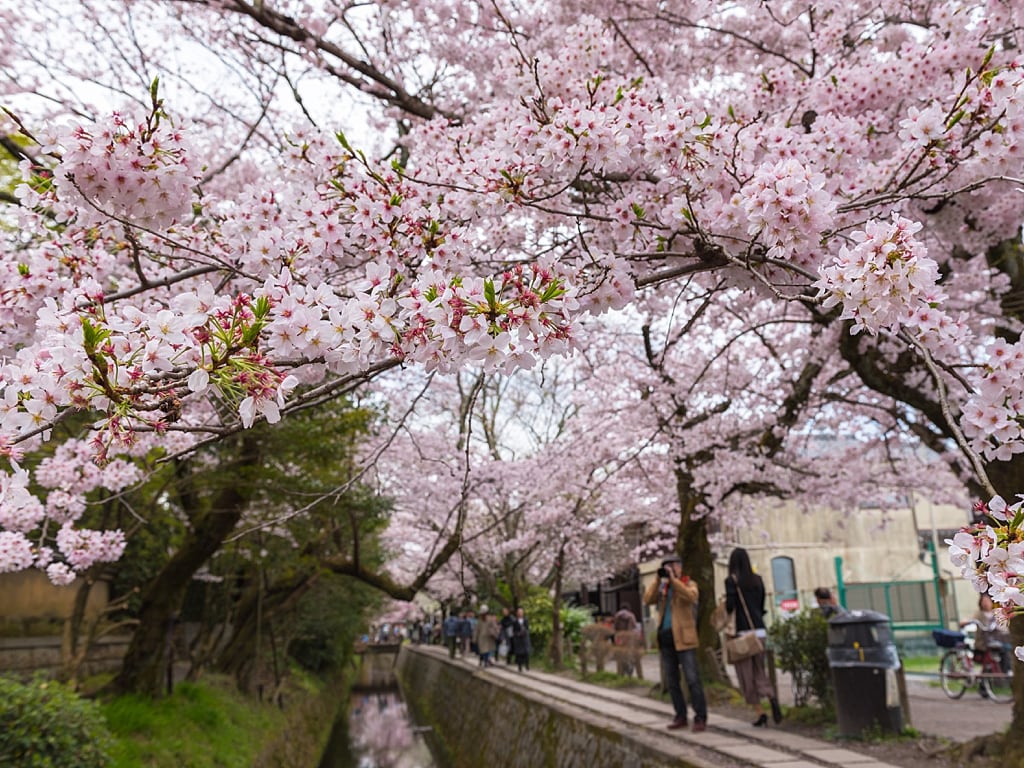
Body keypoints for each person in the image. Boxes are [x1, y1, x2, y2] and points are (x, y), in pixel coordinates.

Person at [643, 554, 708, 732]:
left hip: (685, 639)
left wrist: (675, 581)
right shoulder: (663, 588)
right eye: (666, 566)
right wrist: (658, 580)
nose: (670, 569)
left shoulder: (688, 583)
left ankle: (700, 717)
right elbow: (647, 599)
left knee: (692, 679)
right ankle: (680, 715)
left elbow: (691, 597)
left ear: (680, 566)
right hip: (666, 638)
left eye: (673, 565)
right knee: (672, 681)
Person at [725, 547, 782, 727]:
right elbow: (761, 604)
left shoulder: (732, 580)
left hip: (742, 634)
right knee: (760, 670)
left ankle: (760, 713)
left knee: (746, 675)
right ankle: (771, 696)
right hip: (759, 631)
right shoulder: (757, 580)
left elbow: (730, 606)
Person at [974, 594, 1011, 674]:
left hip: (996, 640)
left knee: (1006, 650)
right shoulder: (979, 614)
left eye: (987, 601)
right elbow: (971, 619)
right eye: (983, 601)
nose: (985, 603)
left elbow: (1003, 626)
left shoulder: (996, 613)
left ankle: (1006, 672)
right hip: (983, 641)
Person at [510, 607, 532, 672]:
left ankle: (527, 666)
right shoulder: (515, 621)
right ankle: (520, 666)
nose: (520, 613)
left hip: (525, 639)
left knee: (526, 653)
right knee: (519, 653)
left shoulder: (526, 620)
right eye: (519, 612)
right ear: (517, 613)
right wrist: (518, 634)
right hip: (518, 639)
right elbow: (513, 631)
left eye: (521, 612)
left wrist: (524, 632)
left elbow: (527, 628)